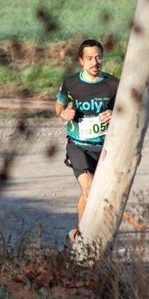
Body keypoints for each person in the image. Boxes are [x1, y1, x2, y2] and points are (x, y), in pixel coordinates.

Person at [55, 39, 119, 242]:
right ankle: (84, 236)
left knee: (93, 194)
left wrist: (114, 114)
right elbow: (58, 106)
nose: (95, 62)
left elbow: (126, 110)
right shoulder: (71, 83)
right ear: (81, 61)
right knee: (89, 188)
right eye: (90, 58)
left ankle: (79, 231)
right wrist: (64, 113)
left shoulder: (113, 84)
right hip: (78, 146)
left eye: (99, 57)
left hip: (104, 148)